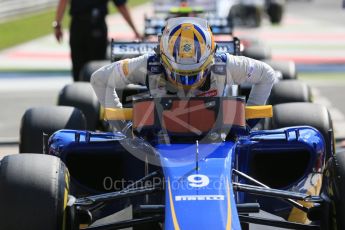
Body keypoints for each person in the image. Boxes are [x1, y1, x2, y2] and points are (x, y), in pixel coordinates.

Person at [91, 17, 276, 124]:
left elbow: (267, 74)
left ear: (211, 58)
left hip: (216, 139)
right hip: (157, 142)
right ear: (163, 59)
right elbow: (99, 79)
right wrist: (121, 128)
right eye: (180, 74)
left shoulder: (225, 65)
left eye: (194, 73)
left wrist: (249, 124)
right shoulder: (147, 65)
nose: (187, 83)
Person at [53, 0, 142, 81]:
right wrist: (135, 31)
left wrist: (57, 24)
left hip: (85, 26)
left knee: (90, 68)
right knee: (93, 69)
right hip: (90, 26)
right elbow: (121, 5)